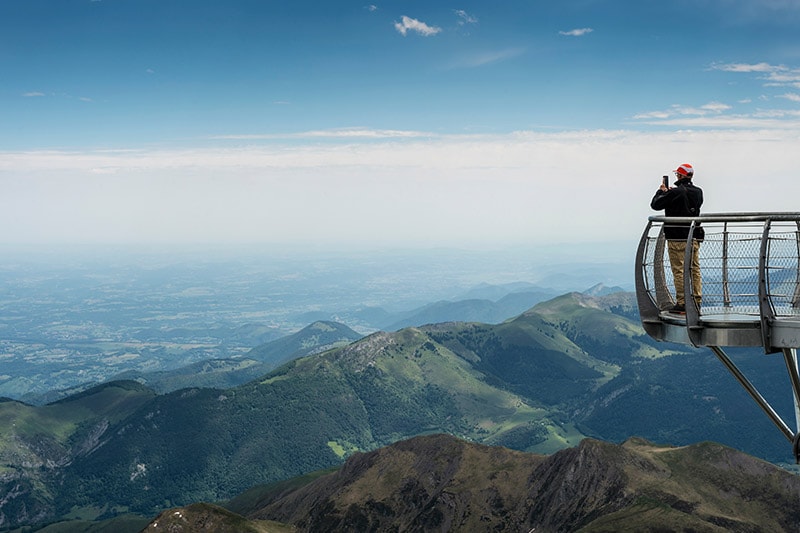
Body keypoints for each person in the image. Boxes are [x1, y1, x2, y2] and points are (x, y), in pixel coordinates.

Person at [650, 163, 704, 314]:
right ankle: (696, 301)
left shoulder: (676, 193)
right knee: (694, 269)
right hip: (693, 235)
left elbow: (655, 205)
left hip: (677, 237)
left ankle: (682, 303)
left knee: (679, 270)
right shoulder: (698, 192)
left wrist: (661, 192)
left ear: (680, 176)